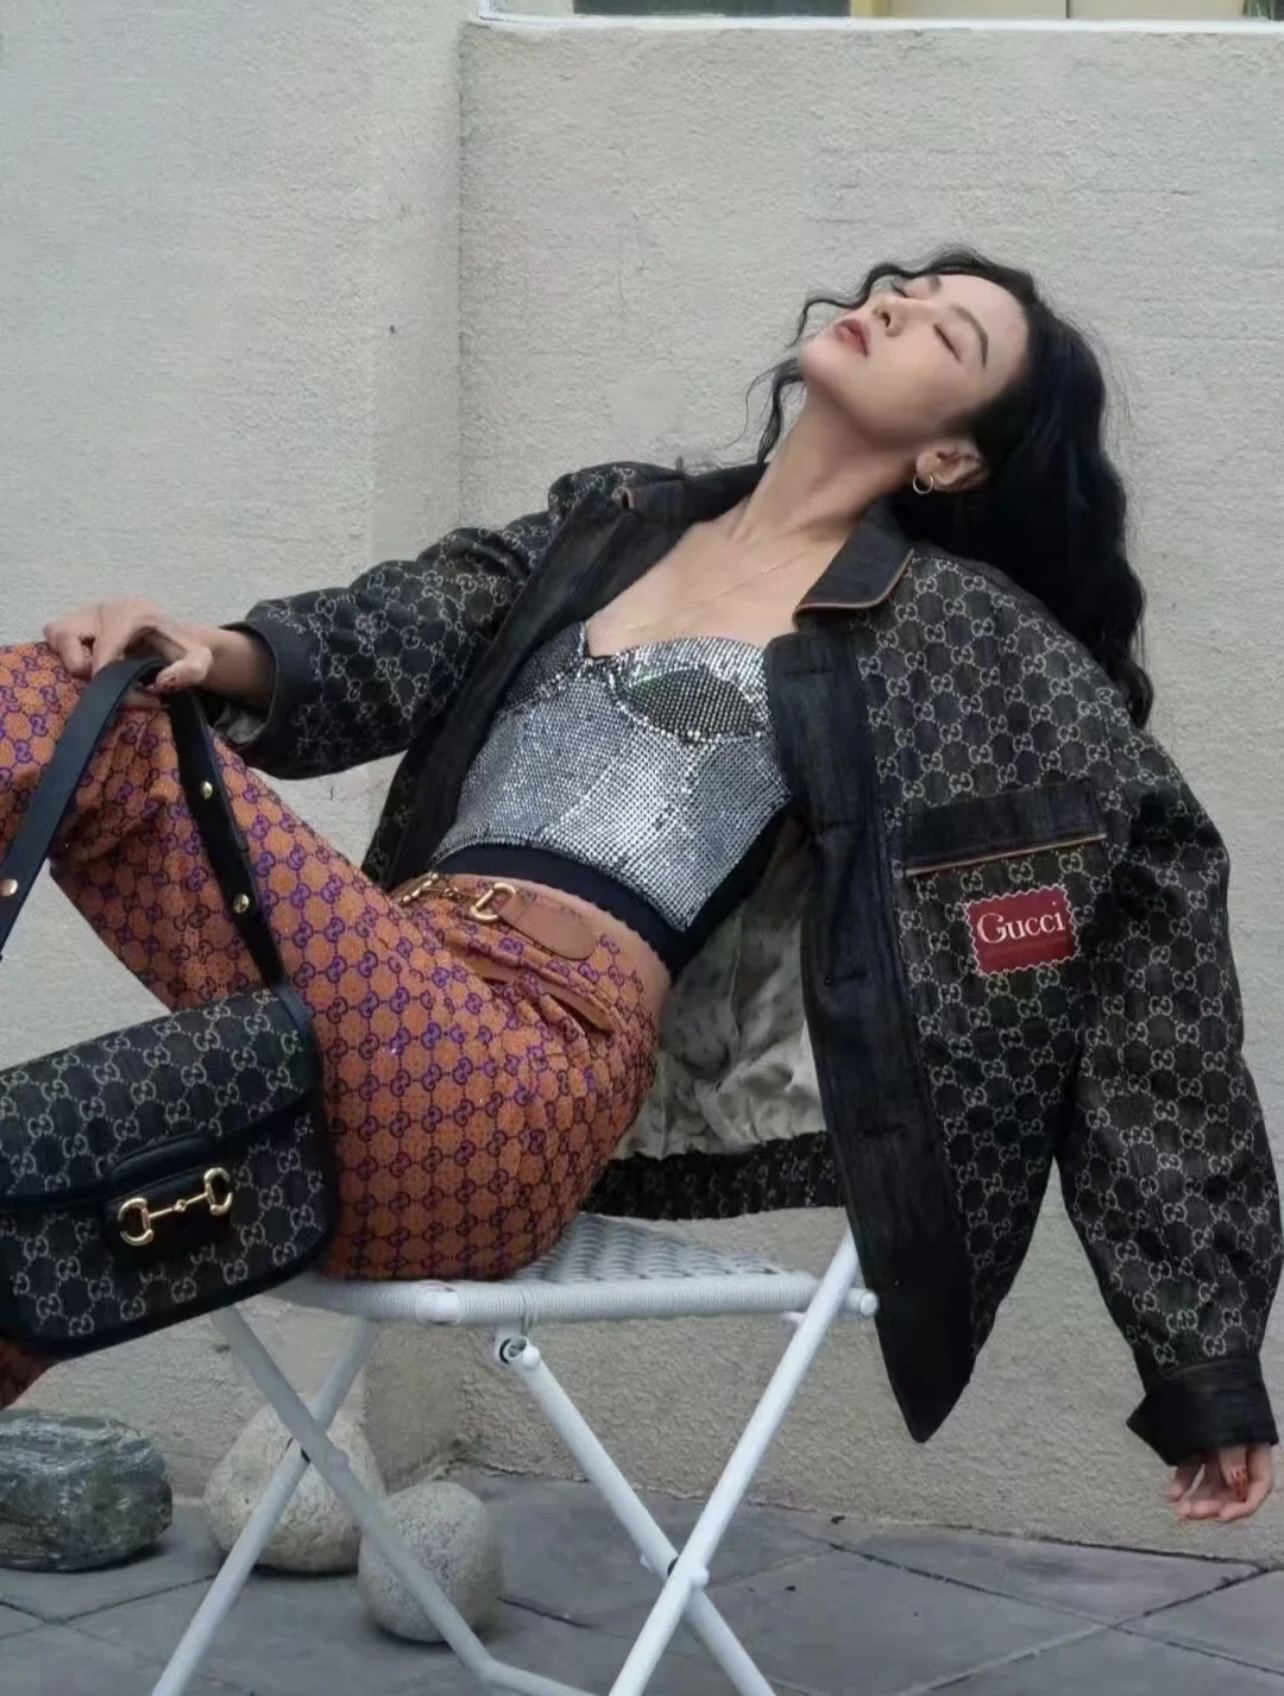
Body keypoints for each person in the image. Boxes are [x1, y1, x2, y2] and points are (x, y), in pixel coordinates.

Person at [2, 250, 1277, 1526]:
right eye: (905, 288)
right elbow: (396, 631)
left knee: (65, 715)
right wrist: (206, 649)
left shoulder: (952, 637)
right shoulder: (612, 524)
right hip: (371, 1019)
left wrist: (1202, 1362)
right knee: (74, 738)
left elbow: (1147, 929)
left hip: (516, 1079)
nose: (893, 305)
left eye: (947, 336)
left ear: (949, 459)